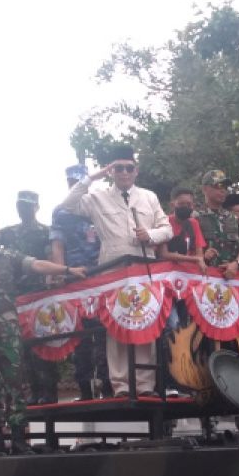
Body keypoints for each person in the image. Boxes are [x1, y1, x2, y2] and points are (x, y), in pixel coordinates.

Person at [0, 210, 86, 454]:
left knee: (16, 386)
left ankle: (19, 438)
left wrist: (67, 270)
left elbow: (37, 265)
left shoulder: (8, 257)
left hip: (8, 333)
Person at [58, 147, 173, 397]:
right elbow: (68, 205)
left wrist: (150, 235)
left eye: (128, 168)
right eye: (118, 168)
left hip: (143, 267)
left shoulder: (149, 197)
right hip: (113, 268)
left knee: (146, 322)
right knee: (117, 325)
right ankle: (121, 385)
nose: (123, 172)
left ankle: (145, 385)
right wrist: (92, 178)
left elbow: (167, 229)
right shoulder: (97, 197)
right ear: (111, 170)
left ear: (136, 170)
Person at [51, 164, 112, 400]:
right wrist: (59, 274)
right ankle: (85, 389)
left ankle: (108, 386)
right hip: (75, 279)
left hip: (103, 276)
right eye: (71, 182)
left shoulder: (99, 204)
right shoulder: (61, 212)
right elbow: (58, 245)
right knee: (80, 337)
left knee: (105, 333)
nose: (74, 186)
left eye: (79, 181)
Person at [0, 190, 60, 405]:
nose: (23, 209)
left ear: (36, 207)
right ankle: (34, 391)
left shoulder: (46, 232)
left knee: (43, 343)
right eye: (20, 205)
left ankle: (49, 391)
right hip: (16, 296)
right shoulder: (7, 233)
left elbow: (52, 257)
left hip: (40, 295)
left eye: (27, 205)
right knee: (24, 347)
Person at [196, 170, 239, 279]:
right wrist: (202, 257)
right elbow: (185, 250)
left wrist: (235, 264)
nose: (223, 191)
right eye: (218, 186)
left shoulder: (232, 218)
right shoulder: (194, 217)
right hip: (201, 278)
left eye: (225, 187)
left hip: (229, 279)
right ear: (205, 189)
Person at [158, 187, 207, 273]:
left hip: (187, 273)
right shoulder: (164, 222)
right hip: (166, 272)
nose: (185, 207)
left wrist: (199, 258)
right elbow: (163, 254)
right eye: (181, 204)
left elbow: (199, 253)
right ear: (172, 205)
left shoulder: (193, 223)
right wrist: (195, 259)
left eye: (189, 205)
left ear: (193, 206)